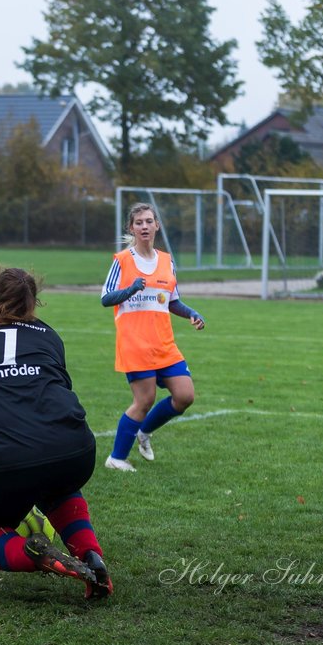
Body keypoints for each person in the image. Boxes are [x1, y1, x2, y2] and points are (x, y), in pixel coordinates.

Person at [0, 267, 111, 599]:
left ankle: (35, 555)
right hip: (74, 449)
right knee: (59, 488)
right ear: (33, 303)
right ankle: (91, 557)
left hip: (1, 457)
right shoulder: (48, 334)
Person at [100, 202, 205, 472]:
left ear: (157, 225)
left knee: (185, 396)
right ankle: (116, 458)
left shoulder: (167, 260)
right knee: (144, 401)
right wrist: (130, 289)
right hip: (135, 344)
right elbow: (106, 298)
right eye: (139, 223)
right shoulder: (122, 260)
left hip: (164, 344)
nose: (144, 226)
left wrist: (191, 312)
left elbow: (172, 301)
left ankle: (144, 432)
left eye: (148, 221)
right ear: (131, 228)